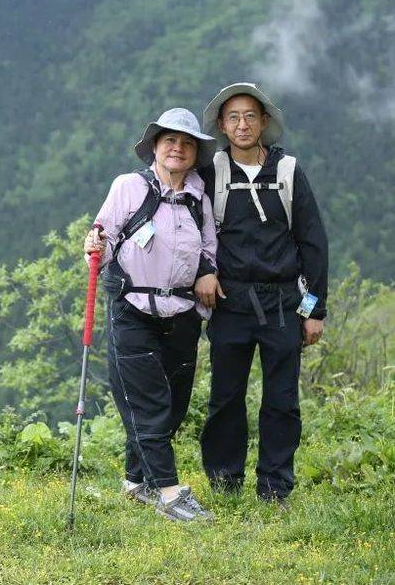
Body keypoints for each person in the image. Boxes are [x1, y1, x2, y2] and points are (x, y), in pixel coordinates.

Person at [195, 82, 328, 504]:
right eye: (233, 117)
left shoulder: (287, 171)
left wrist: (314, 310)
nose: (242, 125)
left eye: (250, 116)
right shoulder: (212, 171)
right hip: (229, 302)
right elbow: (191, 231)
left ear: (264, 121)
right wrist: (204, 272)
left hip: (283, 302)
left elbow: (313, 243)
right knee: (225, 397)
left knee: (282, 400)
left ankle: (275, 487)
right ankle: (224, 482)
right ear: (222, 125)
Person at [84, 108, 218, 522]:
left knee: (174, 405)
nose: (178, 148)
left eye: (187, 143)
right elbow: (102, 239)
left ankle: (135, 482)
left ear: (195, 153)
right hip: (133, 310)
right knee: (149, 404)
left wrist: (207, 272)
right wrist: (93, 245)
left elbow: (208, 250)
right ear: (155, 147)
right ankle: (170, 494)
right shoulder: (129, 187)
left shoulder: (198, 199)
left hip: (182, 314)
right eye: (170, 140)